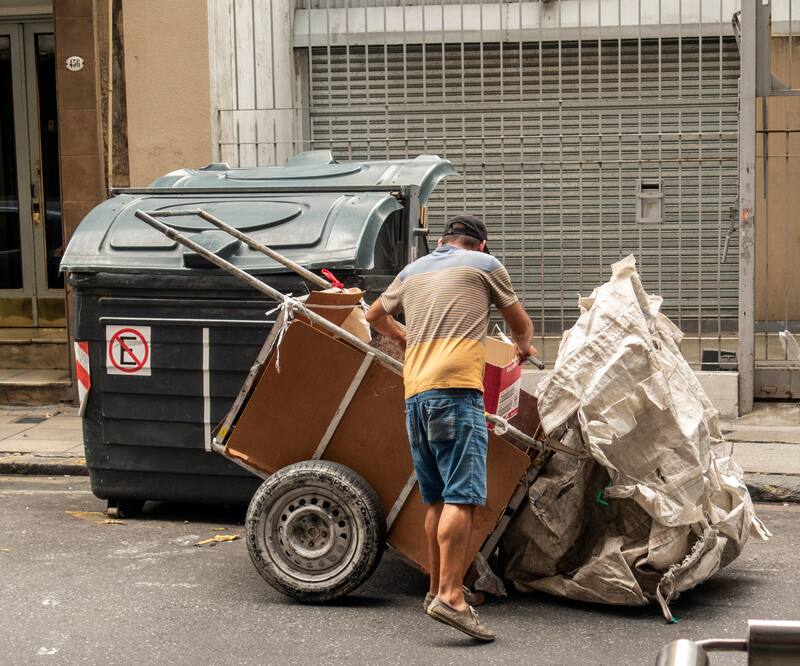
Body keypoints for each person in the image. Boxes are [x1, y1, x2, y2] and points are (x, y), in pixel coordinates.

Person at [366, 214, 536, 642]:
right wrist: (522, 347)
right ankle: (452, 596)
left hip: (416, 395)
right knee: (463, 497)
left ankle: (435, 590)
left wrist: (402, 336)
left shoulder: (412, 270)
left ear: (443, 241)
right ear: (482, 244)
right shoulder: (486, 265)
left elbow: (374, 314)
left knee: (437, 500)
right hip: (456, 392)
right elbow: (520, 324)